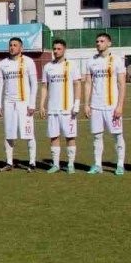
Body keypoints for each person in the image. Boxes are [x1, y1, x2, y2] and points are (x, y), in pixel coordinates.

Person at [83, 32, 127, 176]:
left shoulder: (117, 60)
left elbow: (122, 84)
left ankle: (120, 165)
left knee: (117, 136)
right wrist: (86, 104)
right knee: (97, 136)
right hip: (96, 105)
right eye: (97, 41)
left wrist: (120, 105)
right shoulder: (91, 61)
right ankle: (97, 165)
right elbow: (88, 83)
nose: (98, 43)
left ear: (109, 43)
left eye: (101, 41)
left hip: (112, 106)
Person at [0, 37, 38, 171]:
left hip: (23, 103)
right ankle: (9, 162)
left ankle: (32, 162)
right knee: (9, 133)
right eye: (10, 45)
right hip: (8, 103)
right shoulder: (3, 63)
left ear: (21, 48)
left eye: (15, 45)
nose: (12, 47)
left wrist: (32, 104)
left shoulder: (29, 62)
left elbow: (34, 84)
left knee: (28, 133)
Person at [39, 39, 81, 174]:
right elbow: (45, 86)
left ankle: (70, 164)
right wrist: (41, 105)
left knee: (70, 137)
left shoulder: (71, 65)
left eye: (59, 49)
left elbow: (77, 84)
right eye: (54, 49)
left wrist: (77, 104)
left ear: (64, 49)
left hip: (67, 109)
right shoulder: (47, 67)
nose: (56, 51)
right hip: (52, 108)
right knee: (54, 136)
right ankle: (56, 164)